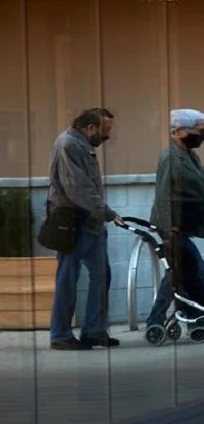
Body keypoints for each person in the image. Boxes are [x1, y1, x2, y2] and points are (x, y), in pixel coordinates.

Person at [147, 109, 204, 336]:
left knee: (183, 273)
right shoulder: (170, 157)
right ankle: (173, 318)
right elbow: (164, 195)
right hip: (173, 227)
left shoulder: (189, 155)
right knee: (181, 274)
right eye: (200, 131)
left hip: (184, 226)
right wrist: (168, 231)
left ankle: (188, 315)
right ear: (178, 131)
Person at [45, 108, 121, 350]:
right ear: (90, 128)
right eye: (105, 130)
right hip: (72, 223)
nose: (107, 135)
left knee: (101, 275)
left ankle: (95, 331)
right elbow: (78, 189)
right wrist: (107, 213)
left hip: (90, 223)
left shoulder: (81, 145)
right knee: (68, 278)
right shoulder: (69, 144)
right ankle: (60, 335)